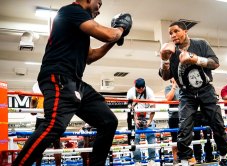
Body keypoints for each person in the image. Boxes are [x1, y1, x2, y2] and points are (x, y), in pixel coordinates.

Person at [13, 0, 132, 165]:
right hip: (58, 76)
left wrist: (114, 40)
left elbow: (90, 56)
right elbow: (109, 34)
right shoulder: (71, 11)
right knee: (54, 125)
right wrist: (121, 29)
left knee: (108, 121)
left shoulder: (79, 26)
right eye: (99, 3)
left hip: (75, 82)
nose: (99, 9)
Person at [159, 21, 227, 166]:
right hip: (186, 93)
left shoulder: (200, 44)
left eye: (176, 31)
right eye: (170, 33)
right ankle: (185, 160)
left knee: (217, 123)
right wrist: (165, 60)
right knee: (184, 127)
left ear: (185, 31)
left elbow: (215, 63)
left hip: (206, 90)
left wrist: (195, 59)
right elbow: (165, 76)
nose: (173, 35)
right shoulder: (171, 52)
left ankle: (224, 155)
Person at [127, 78, 157, 166]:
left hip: (148, 117)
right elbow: (130, 109)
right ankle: (137, 161)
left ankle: (152, 160)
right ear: (135, 87)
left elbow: (153, 108)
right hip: (136, 116)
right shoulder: (130, 92)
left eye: (142, 89)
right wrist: (135, 119)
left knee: (151, 139)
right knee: (135, 140)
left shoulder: (150, 92)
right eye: (138, 89)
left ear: (144, 87)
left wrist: (149, 121)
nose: (140, 91)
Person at [31, 82, 62, 166]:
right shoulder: (57, 82)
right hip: (52, 117)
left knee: (39, 145)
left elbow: (32, 109)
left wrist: (33, 109)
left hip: (44, 118)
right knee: (56, 145)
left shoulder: (37, 85)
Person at [164, 78, 180, 165]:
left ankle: (184, 156)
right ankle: (175, 159)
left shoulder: (183, 87)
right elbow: (168, 99)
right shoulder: (168, 88)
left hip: (184, 116)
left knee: (185, 137)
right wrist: (174, 86)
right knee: (175, 139)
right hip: (173, 117)